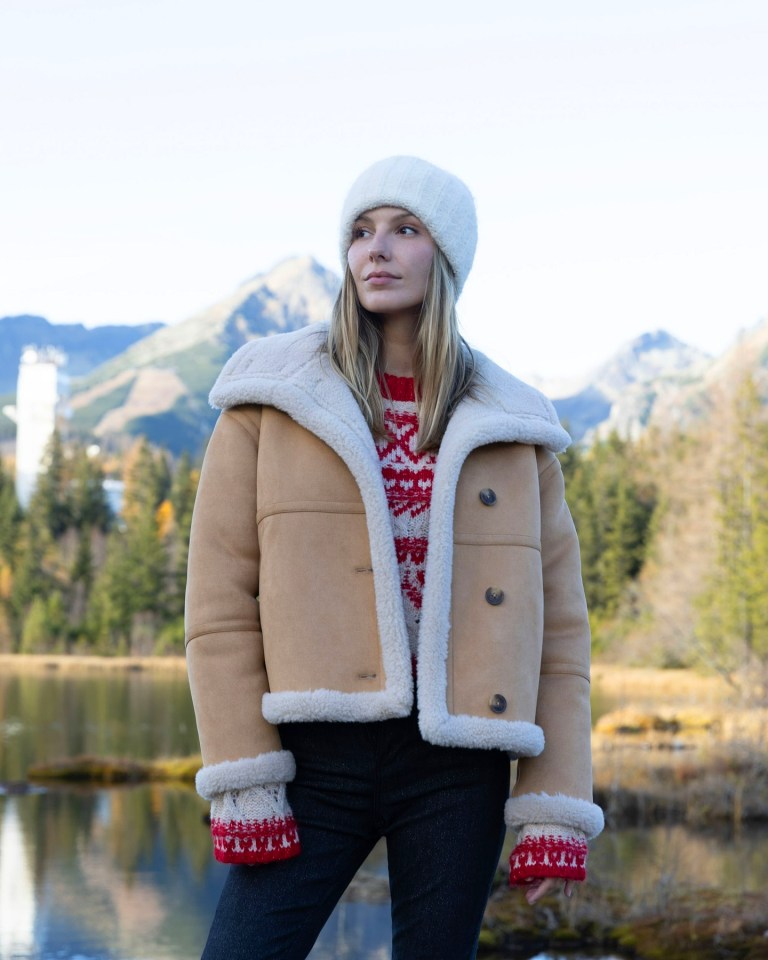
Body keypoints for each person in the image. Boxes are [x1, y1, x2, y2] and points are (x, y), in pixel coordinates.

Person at [184, 155, 604, 960]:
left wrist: (551, 804)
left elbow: (559, 637)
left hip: (458, 767)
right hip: (314, 756)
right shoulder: (270, 402)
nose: (376, 249)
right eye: (361, 232)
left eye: (404, 230)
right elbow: (219, 606)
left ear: (443, 256)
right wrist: (245, 778)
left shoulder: (515, 429)